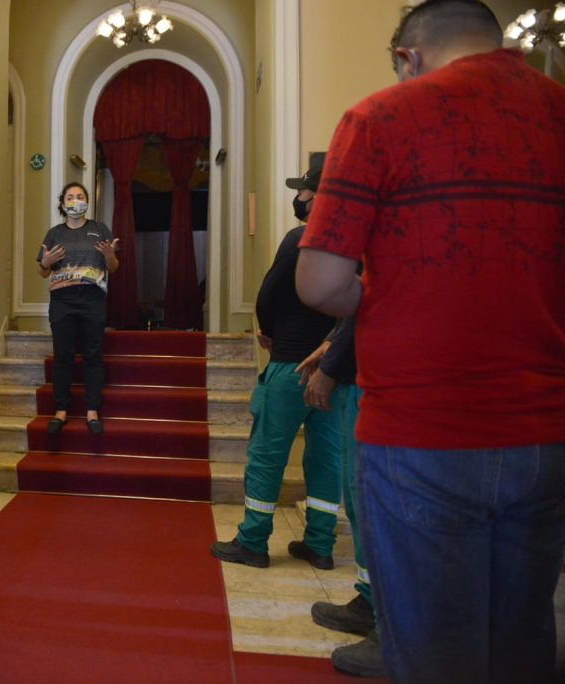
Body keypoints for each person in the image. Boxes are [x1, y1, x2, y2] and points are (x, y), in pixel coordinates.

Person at [295, 1, 565, 681]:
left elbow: (321, 282)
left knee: (434, 651)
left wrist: (396, 294)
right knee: (525, 641)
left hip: (424, 430)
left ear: (408, 57)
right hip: (548, 430)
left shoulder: (382, 117)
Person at [210, 153, 346, 570]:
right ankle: (320, 545)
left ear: (316, 197)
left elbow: (269, 294)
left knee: (268, 453)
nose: (299, 197)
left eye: (303, 190)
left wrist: (267, 331)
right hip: (335, 369)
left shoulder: (298, 238)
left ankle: (252, 541)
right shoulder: (353, 243)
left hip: (290, 363)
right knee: (326, 457)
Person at [299, 318, 385, 678]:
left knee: (377, 502)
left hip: (385, 377)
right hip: (361, 372)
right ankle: (371, 601)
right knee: (358, 496)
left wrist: (331, 363)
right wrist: (332, 343)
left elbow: (367, 298)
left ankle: (395, 629)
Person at [37, 182, 118, 436]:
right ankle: (61, 411)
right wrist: (47, 263)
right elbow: (42, 271)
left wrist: (108, 255)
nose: (75, 201)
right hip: (62, 301)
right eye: (70, 197)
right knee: (63, 355)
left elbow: (114, 267)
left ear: (86, 201)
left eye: (80, 196)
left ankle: (92, 411)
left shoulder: (99, 229)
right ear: (63, 203)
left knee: (93, 355)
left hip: (93, 300)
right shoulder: (54, 233)